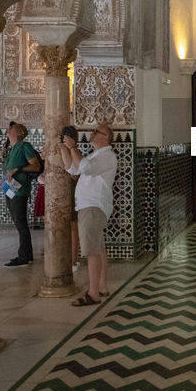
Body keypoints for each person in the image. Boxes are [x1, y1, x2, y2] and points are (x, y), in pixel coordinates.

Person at [62, 123, 117, 305]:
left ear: (105, 137)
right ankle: (101, 286)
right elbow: (73, 169)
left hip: (93, 207)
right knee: (98, 248)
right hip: (90, 206)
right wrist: (64, 148)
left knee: (91, 251)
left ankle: (93, 293)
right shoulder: (96, 155)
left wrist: (73, 147)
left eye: (96, 131)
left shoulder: (107, 156)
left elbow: (85, 168)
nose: (92, 134)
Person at [2, 123, 40, 267]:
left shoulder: (25, 146)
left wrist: (18, 169)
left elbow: (35, 166)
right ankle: (26, 254)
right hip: (9, 188)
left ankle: (24, 256)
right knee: (18, 222)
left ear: (18, 132)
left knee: (21, 222)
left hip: (20, 190)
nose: (8, 129)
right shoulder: (12, 149)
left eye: (11, 128)